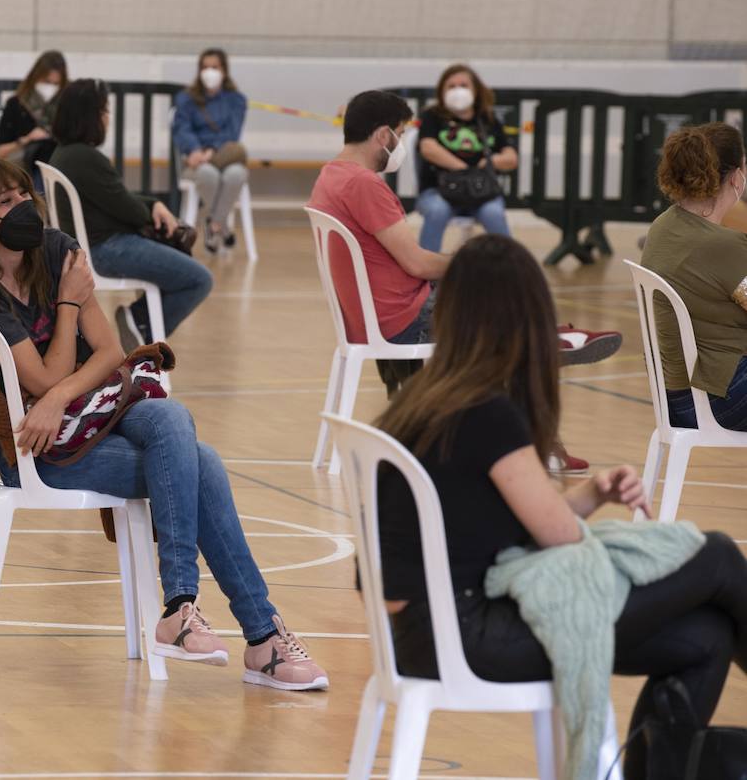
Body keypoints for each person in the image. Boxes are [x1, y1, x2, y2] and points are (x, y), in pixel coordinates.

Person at [0, 156, 327, 691]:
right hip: (37, 450)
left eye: (24, 194)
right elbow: (44, 377)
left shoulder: (57, 249)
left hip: (96, 410)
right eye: (5, 201)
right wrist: (68, 307)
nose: (23, 206)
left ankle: (183, 607)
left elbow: (109, 352)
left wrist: (58, 395)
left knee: (169, 414)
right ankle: (258, 637)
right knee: (202, 464)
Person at [375, 234, 747, 780]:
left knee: (706, 637)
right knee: (715, 556)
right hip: (469, 635)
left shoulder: (423, 400)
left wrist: (592, 494)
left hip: (421, 634)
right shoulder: (485, 411)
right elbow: (560, 540)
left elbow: (516, 526)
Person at [307, 90, 622, 474]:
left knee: (496, 301)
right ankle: (547, 346)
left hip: (368, 316)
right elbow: (417, 262)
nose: (402, 145)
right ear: (383, 135)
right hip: (403, 318)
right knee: (498, 284)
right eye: (401, 135)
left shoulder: (330, 176)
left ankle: (545, 346)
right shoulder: (365, 185)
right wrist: (468, 262)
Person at [48, 79, 213, 352]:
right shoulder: (86, 158)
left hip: (92, 245)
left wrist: (153, 205)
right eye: (104, 110)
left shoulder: (64, 154)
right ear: (90, 115)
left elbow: (118, 197)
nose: (107, 117)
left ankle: (139, 325)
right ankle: (141, 322)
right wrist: (153, 210)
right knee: (199, 279)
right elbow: (130, 210)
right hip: (107, 249)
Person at [642, 122, 747, 431]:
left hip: (674, 397)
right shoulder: (722, 246)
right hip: (715, 400)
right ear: (736, 177)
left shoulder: (663, 226)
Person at [414, 63, 516, 252]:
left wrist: (491, 161)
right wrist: (465, 169)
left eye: (463, 85)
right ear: (442, 91)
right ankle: (424, 266)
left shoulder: (488, 119)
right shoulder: (432, 116)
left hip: (482, 193)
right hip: (438, 190)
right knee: (437, 210)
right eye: (451, 86)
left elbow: (511, 158)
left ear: (476, 90)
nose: (458, 90)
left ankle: (511, 264)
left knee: (493, 213)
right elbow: (428, 148)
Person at [172, 48, 249, 253]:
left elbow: (232, 133)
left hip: (225, 156)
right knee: (208, 174)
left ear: (224, 70)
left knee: (236, 174)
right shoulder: (186, 99)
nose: (209, 72)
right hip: (196, 159)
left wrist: (212, 151)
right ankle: (221, 226)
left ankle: (213, 222)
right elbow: (182, 129)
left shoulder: (236, 100)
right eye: (205, 67)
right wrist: (195, 150)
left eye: (214, 67)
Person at [0, 49, 67, 189]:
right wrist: (27, 139)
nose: (50, 88)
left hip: (56, 163)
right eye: (47, 82)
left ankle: (40, 198)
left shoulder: (66, 106)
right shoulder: (16, 104)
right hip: (25, 165)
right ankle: (39, 199)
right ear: (35, 77)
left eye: (56, 84)